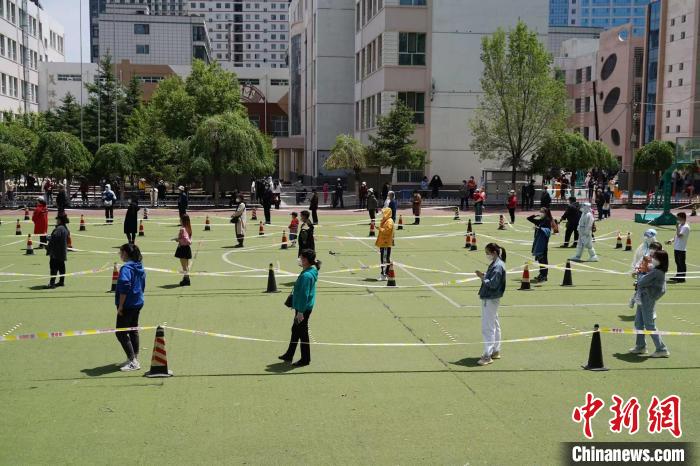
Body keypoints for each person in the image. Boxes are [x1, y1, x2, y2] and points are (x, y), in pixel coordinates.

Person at [278, 248, 321, 367]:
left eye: (301, 258)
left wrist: (300, 312)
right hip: (304, 307)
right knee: (295, 330)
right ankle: (289, 354)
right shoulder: (310, 270)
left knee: (302, 333)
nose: (299, 259)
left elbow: (304, 295)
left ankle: (305, 359)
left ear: (306, 260)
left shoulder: (306, 276)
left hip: (303, 309)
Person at [629, 250, 670, 358]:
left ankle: (662, 349)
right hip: (643, 297)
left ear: (660, 260)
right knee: (639, 322)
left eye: (655, 257)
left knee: (649, 325)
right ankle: (640, 346)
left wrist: (640, 274)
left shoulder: (656, 272)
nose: (653, 259)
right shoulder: (655, 270)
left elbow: (641, 282)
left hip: (647, 299)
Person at [114, 243, 146, 372]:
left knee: (121, 332)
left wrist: (121, 306)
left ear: (125, 253)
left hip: (128, 304)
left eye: (120, 252)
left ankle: (133, 361)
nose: (120, 255)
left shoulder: (126, 268)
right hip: (138, 302)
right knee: (133, 329)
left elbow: (125, 286)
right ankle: (134, 357)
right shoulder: (139, 266)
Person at [475, 242, 507, 366]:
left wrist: (482, 277)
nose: (486, 255)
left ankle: (487, 355)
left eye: (487, 253)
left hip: (490, 298)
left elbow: (492, 284)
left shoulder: (498, 266)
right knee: (494, 324)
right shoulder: (497, 263)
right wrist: (484, 275)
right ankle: (495, 350)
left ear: (494, 253)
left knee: (487, 327)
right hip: (492, 298)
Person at [527, 208, 553, 283]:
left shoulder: (547, 220)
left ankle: (544, 276)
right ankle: (541, 274)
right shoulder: (541, 220)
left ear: (546, 213)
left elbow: (548, 231)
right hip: (538, 241)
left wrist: (539, 228)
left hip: (543, 243)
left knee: (543, 259)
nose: (541, 213)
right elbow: (529, 219)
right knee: (540, 259)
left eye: (542, 212)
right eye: (540, 211)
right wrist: (535, 215)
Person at [46, 213, 69, 289]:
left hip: (56, 252)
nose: (56, 221)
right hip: (62, 251)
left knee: (53, 267)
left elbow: (54, 238)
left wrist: (47, 238)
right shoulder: (65, 228)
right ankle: (61, 281)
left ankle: (52, 283)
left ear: (60, 220)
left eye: (57, 219)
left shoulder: (59, 229)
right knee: (61, 267)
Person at [667, 212, 690, 283]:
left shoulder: (686, 227)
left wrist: (677, 227)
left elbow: (679, 235)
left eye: (678, 218)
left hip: (681, 248)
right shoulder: (680, 225)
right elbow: (676, 236)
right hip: (676, 247)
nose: (677, 219)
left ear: (682, 218)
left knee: (681, 263)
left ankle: (682, 278)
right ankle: (678, 276)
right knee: (677, 262)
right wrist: (671, 240)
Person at [376, 207, 395, 281]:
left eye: (384, 213)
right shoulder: (386, 220)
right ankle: (384, 274)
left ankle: (384, 275)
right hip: (383, 242)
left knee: (385, 259)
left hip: (386, 243)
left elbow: (387, 231)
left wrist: (379, 228)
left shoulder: (389, 221)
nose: (382, 214)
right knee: (384, 258)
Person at [174, 214, 193, 286]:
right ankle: (186, 278)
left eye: (180, 219)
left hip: (183, 248)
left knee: (184, 266)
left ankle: (186, 279)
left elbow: (186, 239)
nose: (180, 220)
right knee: (186, 265)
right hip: (187, 248)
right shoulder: (189, 228)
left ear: (183, 221)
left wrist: (178, 239)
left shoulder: (182, 229)